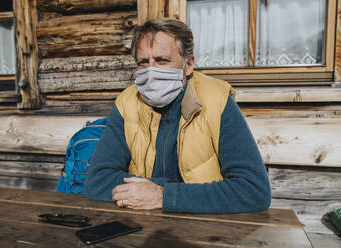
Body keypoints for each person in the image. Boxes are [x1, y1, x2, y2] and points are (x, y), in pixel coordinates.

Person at [85, 18, 271, 214]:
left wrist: (163, 194)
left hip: (205, 228)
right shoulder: (127, 103)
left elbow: (253, 190)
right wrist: (154, 192)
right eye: (143, 62)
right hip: (142, 223)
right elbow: (98, 181)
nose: (151, 70)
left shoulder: (217, 101)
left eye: (162, 60)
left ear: (188, 64)